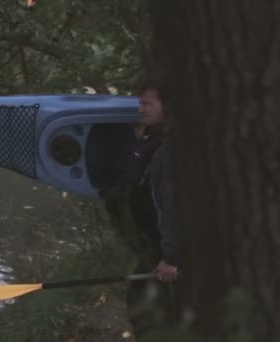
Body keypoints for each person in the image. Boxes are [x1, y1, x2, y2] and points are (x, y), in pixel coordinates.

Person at [101, 80, 181, 337]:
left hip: (164, 252)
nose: (141, 109)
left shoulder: (170, 150)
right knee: (145, 308)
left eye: (147, 104)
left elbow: (172, 205)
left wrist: (171, 257)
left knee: (148, 311)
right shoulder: (150, 139)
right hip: (150, 246)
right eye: (140, 104)